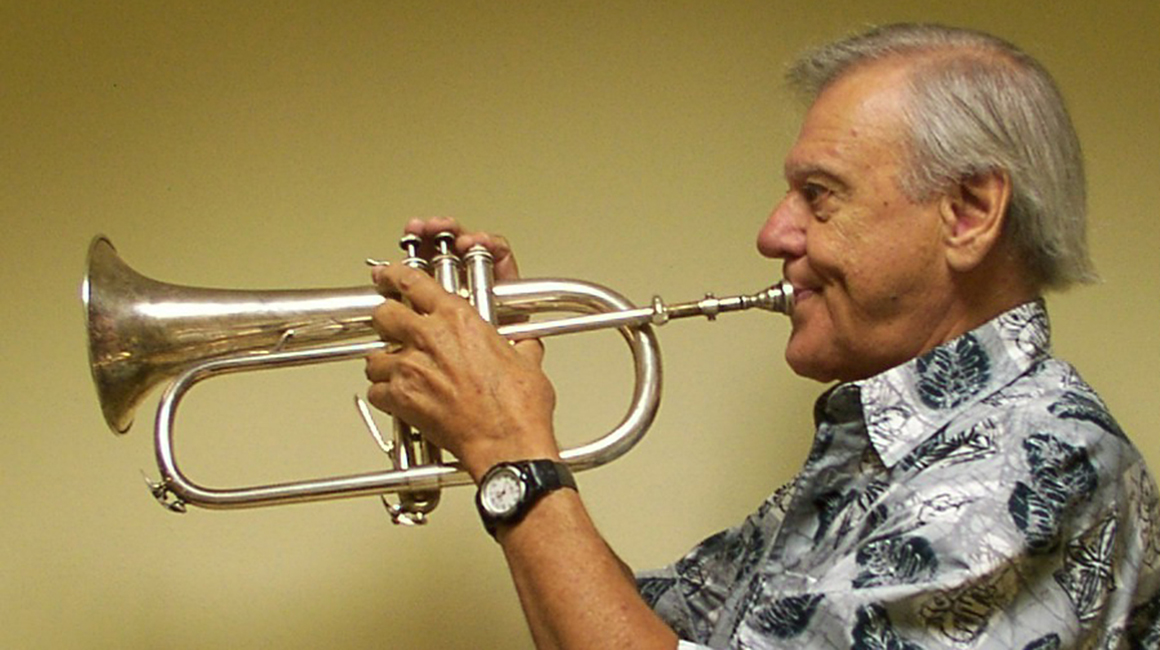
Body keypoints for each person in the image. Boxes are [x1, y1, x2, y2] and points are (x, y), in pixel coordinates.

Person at [364, 23, 1160, 649]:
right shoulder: (890, 450)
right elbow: (641, 630)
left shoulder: (1040, 458)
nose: (773, 233)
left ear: (969, 213)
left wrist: (512, 453)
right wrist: (508, 435)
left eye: (819, 196)